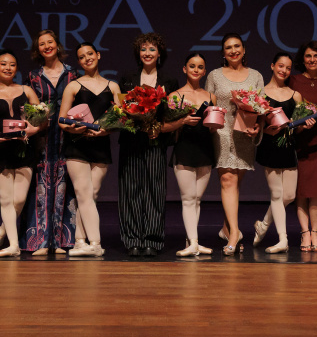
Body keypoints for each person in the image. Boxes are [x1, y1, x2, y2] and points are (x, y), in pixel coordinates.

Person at [117, 33, 179, 256]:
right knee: (130, 190)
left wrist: (157, 128)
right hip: (131, 140)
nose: (147, 53)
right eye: (143, 49)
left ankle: (152, 239)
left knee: (154, 189)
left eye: (152, 49)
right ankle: (133, 239)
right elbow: (120, 110)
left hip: (155, 141)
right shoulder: (127, 78)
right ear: (138, 53)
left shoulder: (169, 81)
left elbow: (171, 113)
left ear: (159, 54)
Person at [59, 42, 121, 257]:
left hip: (101, 145)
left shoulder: (112, 86)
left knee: (91, 194)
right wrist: (74, 129)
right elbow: (62, 119)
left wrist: (105, 131)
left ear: (98, 55)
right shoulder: (73, 86)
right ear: (79, 62)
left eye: (90, 54)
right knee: (83, 193)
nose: (87, 58)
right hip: (77, 145)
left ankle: (79, 241)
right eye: (82, 56)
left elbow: (121, 118)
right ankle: (95, 243)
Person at [204, 32, 264, 255]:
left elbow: (261, 106)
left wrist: (258, 125)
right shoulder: (214, 75)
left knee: (235, 184)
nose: (233, 51)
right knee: (227, 180)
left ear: (244, 49)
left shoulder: (256, 75)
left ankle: (226, 228)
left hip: (244, 133)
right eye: (228, 47)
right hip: (221, 132)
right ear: (223, 53)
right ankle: (236, 233)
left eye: (237, 46)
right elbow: (208, 104)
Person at [0, 50, 43, 258]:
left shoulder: (27, 90)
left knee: (19, 200)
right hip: (2, 150)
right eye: (3, 64)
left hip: (24, 149)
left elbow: (42, 117)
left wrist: (33, 128)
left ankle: (2, 229)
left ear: (16, 68)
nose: (8, 68)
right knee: (6, 200)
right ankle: (13, 245)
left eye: (12, 64)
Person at [22, 30, 77, 256]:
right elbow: (28, 108)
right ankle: (39, 242)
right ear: (38, 50)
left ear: (57, 45)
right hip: (42, 138)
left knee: (65, 184)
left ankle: (63, 240)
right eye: (42, 43)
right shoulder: (33, 76)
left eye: (50, 42)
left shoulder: (73, 74)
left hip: (67, 136)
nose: (47, 46)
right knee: (41, 185)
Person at [253, 53, 305, 254]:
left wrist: (304, 124)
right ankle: (283, 239)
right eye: (280, 66)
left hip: (288, 146)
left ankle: (264, 224)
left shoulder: (295, 95)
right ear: (272, 66)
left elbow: (297, 127)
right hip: (270, 145)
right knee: (277, 194)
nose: (284, 70)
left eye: (288, 68)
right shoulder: (261, 94)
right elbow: (256, 124)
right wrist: (264, 130)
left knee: (289, 195)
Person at [167, 53, 217, 257]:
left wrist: (214, 124)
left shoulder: (210, 96)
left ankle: (192, 241)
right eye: (192, 66)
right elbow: (167, 127)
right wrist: (182, 122)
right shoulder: (175, 96)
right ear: (184, 69)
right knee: (188, 198)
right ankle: (193, 243)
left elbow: (214, 128)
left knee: (197, 199)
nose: (196, 70)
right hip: (185, 149)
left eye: (200, 67)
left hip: (205, 149)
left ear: (204, 71)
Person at [288, 41, 317, 252]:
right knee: (302, 190)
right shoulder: (293, 80)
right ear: (302, 59)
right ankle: (305, 233)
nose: (312, 59)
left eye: (316, 56)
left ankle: (316, 232)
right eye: (308, 56)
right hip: (300, 140)